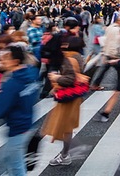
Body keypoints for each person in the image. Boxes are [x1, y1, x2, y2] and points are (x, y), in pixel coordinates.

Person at [0, 45, 40, 176]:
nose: (2, 62)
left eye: (5, 59)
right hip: (27, 123)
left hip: (17, 128)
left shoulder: (13, 83)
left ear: (15, 61)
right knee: (7, 159)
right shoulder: (31, 74)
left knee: (14, 165)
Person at [42, 34, 88, 166]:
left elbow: (70, 79)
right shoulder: (78, 56)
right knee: (65, 126)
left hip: (67, 96)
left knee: (63, 126)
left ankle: (67, 153)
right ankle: (67, 152)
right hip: (74, 95)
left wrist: (56, 78)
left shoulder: (68, 58)